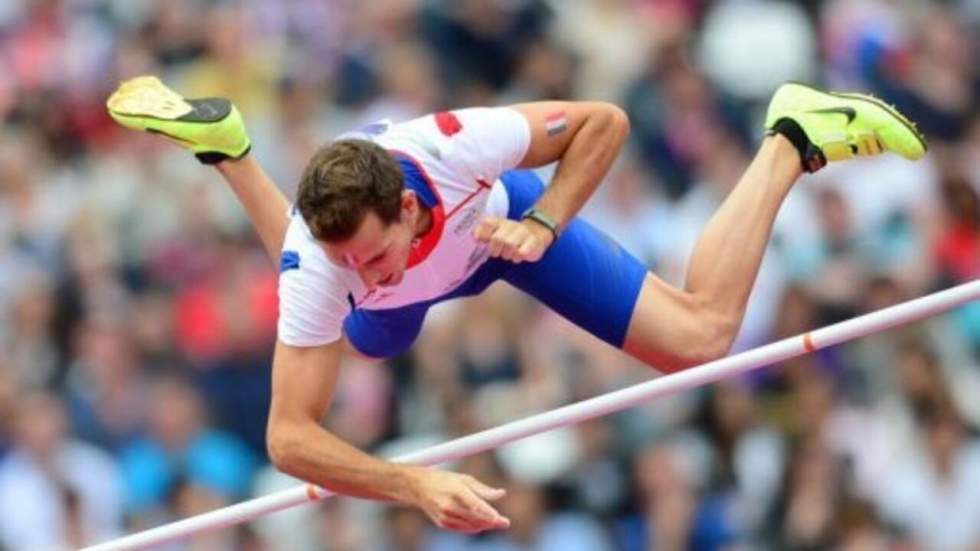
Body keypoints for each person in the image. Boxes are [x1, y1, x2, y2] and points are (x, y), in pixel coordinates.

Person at [106, 75, 926, 534]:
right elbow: (288, 438)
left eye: (374, 253)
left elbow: (604, 122)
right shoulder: (329, 267)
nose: (367, 271)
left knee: (703, 338)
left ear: (408, 207)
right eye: (344, 257)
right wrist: (413, 483)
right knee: (367, 330)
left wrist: (544, 221)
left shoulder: (459, 143)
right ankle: (230, 151)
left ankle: (791, 137)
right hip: (427, 259)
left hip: (505, 229)